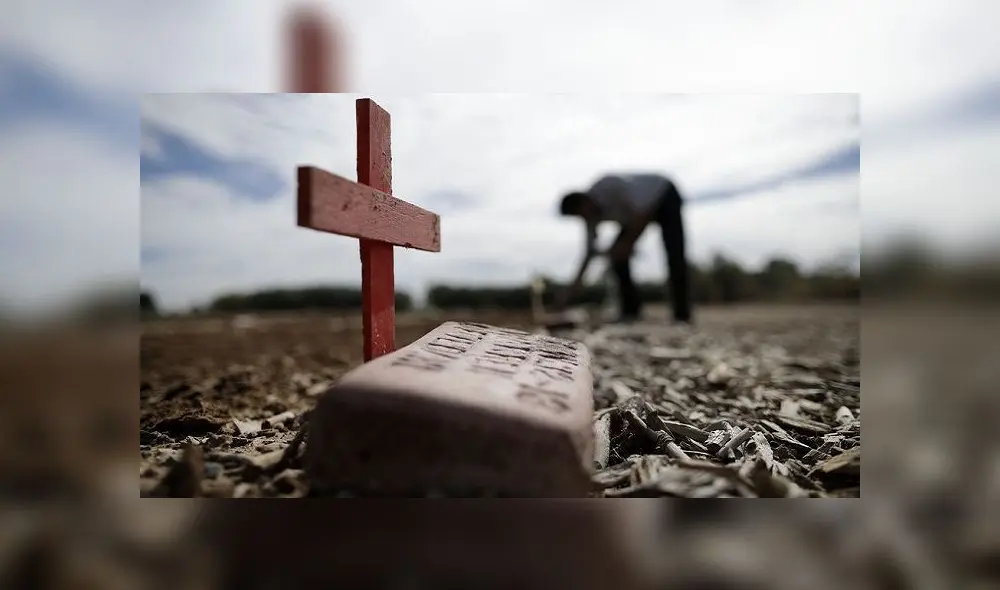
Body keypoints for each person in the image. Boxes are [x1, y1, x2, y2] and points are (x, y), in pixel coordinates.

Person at [556, 173, 692, 324]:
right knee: (618, 257)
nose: (583, 218)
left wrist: (627, 244)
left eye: (581, 213)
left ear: (583, 201)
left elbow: (643, 212)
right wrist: (574, 288)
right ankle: (630, 310)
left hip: (664, 195)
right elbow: (589, 254)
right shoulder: (590, 218)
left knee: (675, 254)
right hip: (635, 215)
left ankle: (682, 314)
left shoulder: (609, 186)